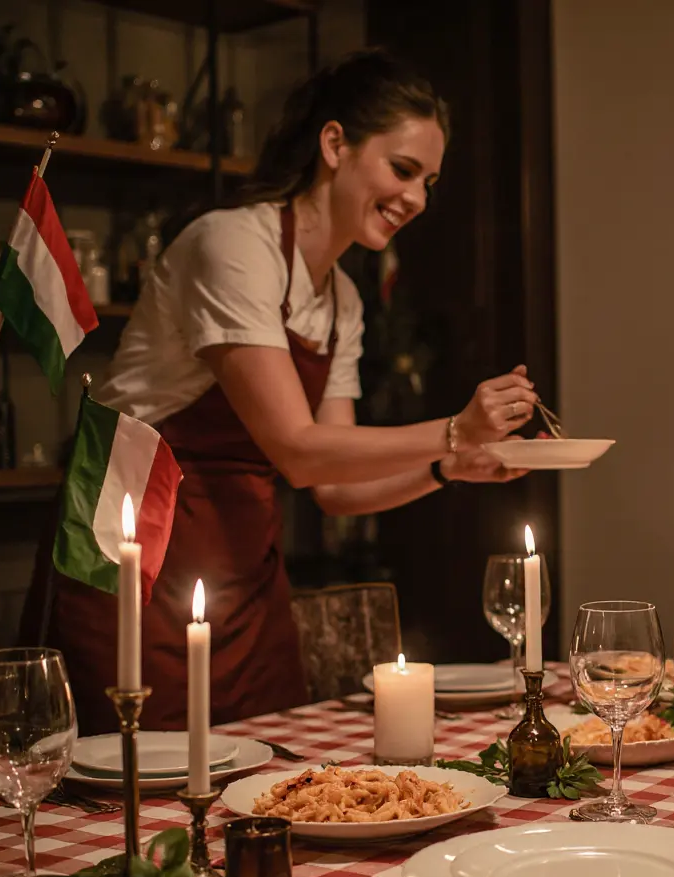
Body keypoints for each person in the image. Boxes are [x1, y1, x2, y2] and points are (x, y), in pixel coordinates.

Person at [28, 49, 538, 735]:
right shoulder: (233, 245)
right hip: (130, 557)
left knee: (270, 775)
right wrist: (456, 428)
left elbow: (332, 485)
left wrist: (447, 467)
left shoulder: (343, 300)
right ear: (335, 145)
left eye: (429, 181)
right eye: (402, 169)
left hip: (240, 563)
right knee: (140, 796)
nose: (417, 198)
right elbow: (297, 449)